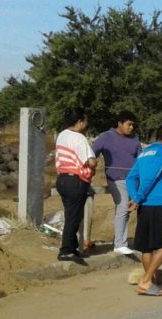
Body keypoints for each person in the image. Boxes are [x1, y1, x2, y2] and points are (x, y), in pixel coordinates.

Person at [126, 124, 162, 296]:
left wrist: (136, 197)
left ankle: (153, 279)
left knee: (147, 248)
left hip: (145, 208)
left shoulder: (143, 153)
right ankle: (147, 281)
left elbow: (130, 177)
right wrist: (138, 198)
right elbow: (151, 177)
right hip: (157, 205)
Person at [92, 111, 142, 255]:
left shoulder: (135, 139)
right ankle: (120, 244)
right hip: (116, 178)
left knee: (140, 208)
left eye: (133, 125)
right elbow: (91, 154)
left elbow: (140, 158)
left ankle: (142, 240)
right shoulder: (105, 137)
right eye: (129, 124)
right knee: (123, 206)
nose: (131, 127)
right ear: (120, 123)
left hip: (134, 180)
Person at [54, 108, 97, 264]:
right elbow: (91, 161)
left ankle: (72, 248)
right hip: (76, 181)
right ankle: (65, 250)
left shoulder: (61, 135)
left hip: (62, 179)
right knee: (74, 217)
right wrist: (94, 165)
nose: (86, 124)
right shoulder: (79, 138)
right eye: (85, 121)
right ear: (79, 122)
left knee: (71, 215)